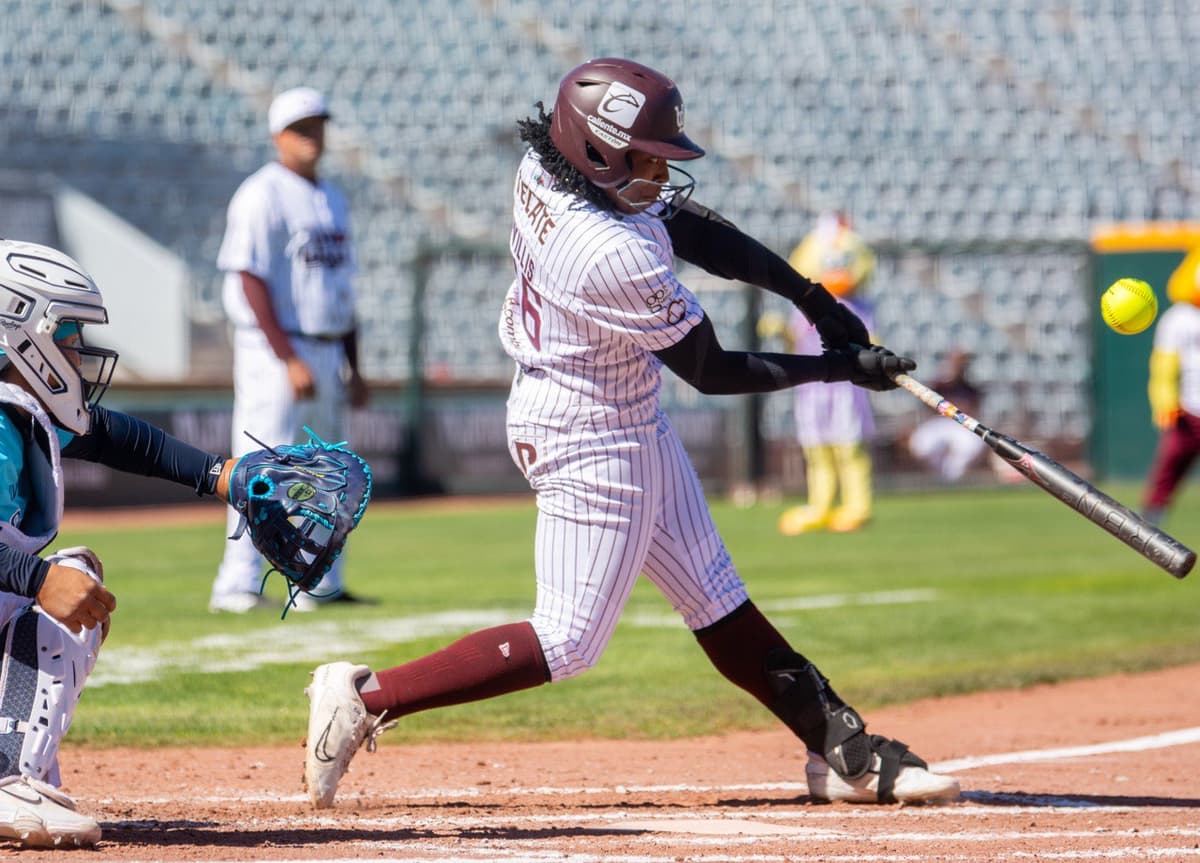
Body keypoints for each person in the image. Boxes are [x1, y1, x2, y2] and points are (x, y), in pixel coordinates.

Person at [303, 58, 959, 810]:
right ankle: (365, 696)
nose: (662, 174)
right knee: (570, 639)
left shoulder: (550, 167)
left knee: (717, 598)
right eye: (648, 157)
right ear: (598, 150)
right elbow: (710, 368)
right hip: (586, 431)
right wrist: (837, 367)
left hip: (617, 409)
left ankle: (839, 744)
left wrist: (810, 296)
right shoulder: (606, 252)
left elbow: (685, 224)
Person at [0, 239, 240, 846]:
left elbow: (116, 438)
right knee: (67, 581)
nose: (79, 355)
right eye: (70, 337)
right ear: (21, 331)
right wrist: (35, 580)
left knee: (69, 576)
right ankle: (5, 777)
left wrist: (218, 475)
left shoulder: (16, 410)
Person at [210, 86, 370, 613]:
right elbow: (249, 278)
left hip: (325, 344)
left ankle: (319, 584)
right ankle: (238, 583)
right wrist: (288, 357)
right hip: (275, 347)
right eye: (301, 129)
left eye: (317, 126)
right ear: (278, 136)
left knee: (331, 471)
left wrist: (355, 365)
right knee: (263, 467)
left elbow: (342, 290)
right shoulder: (262, 193)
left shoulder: (332, 197)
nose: (312, 137)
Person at [776, 212, 878, 534]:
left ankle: (857, 505)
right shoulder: (805, 305)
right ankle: (819, 504)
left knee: (850, 443)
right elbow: (796, 338)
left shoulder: (856, 305)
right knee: (816, 444)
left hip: (845, 382)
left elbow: (869, 338)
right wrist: (780, 331)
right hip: (812, 382)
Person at [1142, 248, 1200, 526]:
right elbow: (1164, 367)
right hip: (1189, 411)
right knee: (1170, 464)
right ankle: (1152, 516)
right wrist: (1165, 401)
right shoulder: (1178, 317)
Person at [907, 349, 988, 482]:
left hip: (961, 424)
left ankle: (953, 479)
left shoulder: (970, 387)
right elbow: (927, 405)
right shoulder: (940, 384)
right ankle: (938, 478)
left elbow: (974, 409)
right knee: (923, 445)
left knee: (970, 446)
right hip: (938, 422)